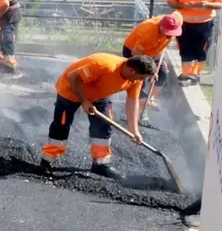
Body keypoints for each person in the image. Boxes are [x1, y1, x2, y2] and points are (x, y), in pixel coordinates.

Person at [39, 52, 156, 180]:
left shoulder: (135, 79)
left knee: (104, 125)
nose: (141, 80)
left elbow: (132, 101)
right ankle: (46, 161)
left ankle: (101, 164)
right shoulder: (103, 65)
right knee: (61, 126)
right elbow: (73, 77)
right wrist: (84, 101)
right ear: (132, 71)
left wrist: (134, 130)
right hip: (70, 90)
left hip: (99, 93)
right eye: (141, 77)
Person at [165, 0, 222, 85]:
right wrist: (184, 6)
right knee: (185, 49)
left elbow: (219, 4)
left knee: (201, 50)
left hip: (205, 23)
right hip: (184, 23)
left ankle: (195, 75)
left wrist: (206, 5)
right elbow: (170, 1)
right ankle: (186, 74)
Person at [122, 12, 182, 106]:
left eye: (173, 33)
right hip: (135, 53)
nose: (170, 36)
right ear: (161, 27)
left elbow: (178, 13)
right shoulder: (148, 33)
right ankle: (138, 103)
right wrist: (151, 72)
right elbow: (136, 55)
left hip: (154, 51)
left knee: (162, 73)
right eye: (168, 33)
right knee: (141, 78)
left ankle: (148, 98)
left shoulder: (176, 21)